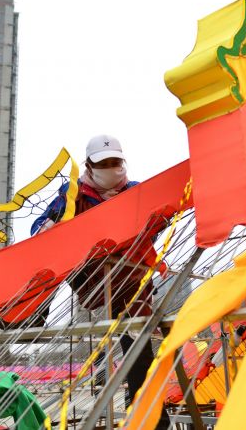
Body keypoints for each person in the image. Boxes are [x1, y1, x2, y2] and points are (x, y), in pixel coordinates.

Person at [32, 134, 171, 428]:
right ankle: (33, 313)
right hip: (90, 273)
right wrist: (50, 225)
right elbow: (38, 228)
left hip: (129, 276)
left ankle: (148, 415)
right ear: (89, 166)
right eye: (103, 164)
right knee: (49, 260)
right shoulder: (74, 194)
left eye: (114, 162)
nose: (111, 168)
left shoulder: (135, 191)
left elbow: (161, 218)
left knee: (137, 339)